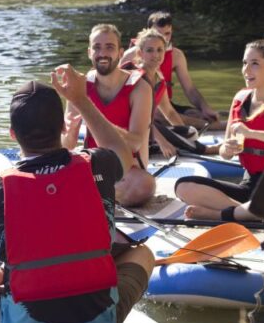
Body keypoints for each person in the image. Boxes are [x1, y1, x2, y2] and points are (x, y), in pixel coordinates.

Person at [0, 66, 154, 323]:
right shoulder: (97, 164)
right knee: (142, 253)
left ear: (13, 134)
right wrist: (80, 99)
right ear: (63, 127)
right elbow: (122, 152)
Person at [175, 37, 264, 221]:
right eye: (244, 63)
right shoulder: (240, 99)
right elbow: (224, 150)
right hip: (250, 183)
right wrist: (226, 149)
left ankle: (223, 214)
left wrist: (251, 134)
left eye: (255, 64)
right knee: (183, 187)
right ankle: (256, 215)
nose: (246, 70)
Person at [63, 23, 156, 207]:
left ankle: (95, 195)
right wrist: (70, 131)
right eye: (97, 48)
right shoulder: (78, 86)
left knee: (145, 185)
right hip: (93, 163)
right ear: (89, 52)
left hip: (127, 168)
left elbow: (136, 142)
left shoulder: (139, 87)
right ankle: (100, 195)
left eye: (109, 47)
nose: (103, 53)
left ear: (121, 53)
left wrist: (91, 114)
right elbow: (68, 145)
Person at [121, 11, 222, 129]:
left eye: (167, 33)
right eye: (159, 33)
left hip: (164, 103)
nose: (164, 38)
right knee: (158, 114)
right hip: (141, 108)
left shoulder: (176, 56)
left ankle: (204, 124)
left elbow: (189, 89)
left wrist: (205, 108)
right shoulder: (129, 56)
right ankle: (213, 126)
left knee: (196, 115)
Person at [122, 28, 190, 158]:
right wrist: (163, 142)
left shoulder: (159, 79)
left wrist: (185, 135)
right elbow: (142, 120)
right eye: (150, 50)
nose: (156, 55)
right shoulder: (134, 78)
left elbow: (169, 112)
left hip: (148, 133)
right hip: (130, 135)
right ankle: (210, 150)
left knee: (189, 132)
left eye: (159, 50)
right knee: (170, 135)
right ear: (140, 53)